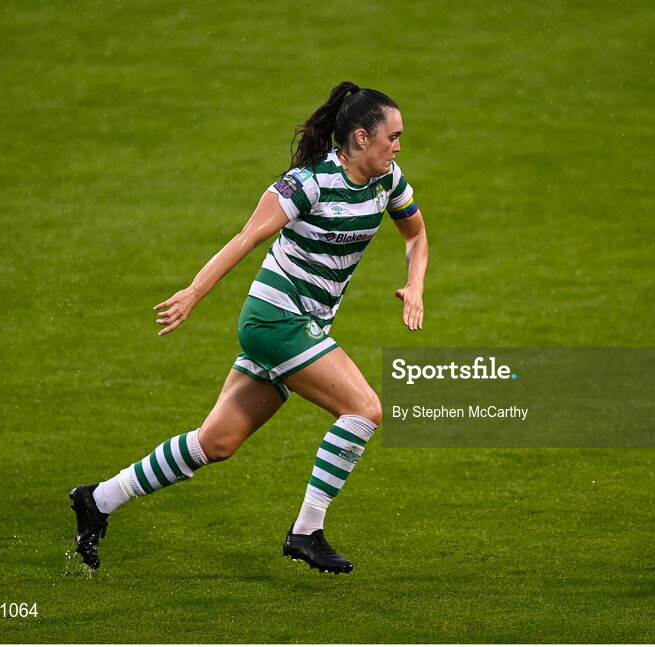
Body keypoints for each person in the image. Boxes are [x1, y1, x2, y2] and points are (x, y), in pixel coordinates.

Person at [68, 81, 428, 574]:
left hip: (307, 325)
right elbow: (247, 237)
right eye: (394, 136)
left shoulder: (388, 180)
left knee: (215, 443)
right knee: (363, 409)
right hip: (275, 320)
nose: (399, 146)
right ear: (362, 138)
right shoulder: (309, 183)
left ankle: (99, 499)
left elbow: (416, 233)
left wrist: (415, 285)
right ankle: (307, 530)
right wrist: (194, 292)